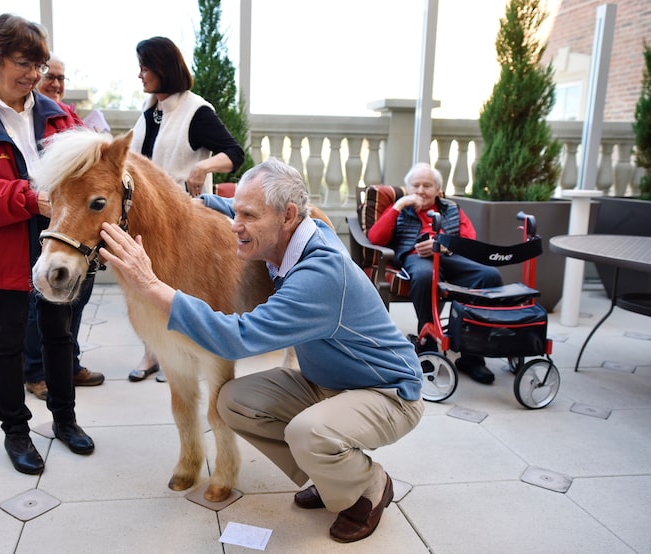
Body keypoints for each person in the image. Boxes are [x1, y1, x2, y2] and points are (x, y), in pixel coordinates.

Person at [98, 158, 424, 544]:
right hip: (331, 382)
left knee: (308, 433)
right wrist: (195, 204)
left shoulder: (320, 274)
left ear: (287, 216)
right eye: (236, 210)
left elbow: (237, 338)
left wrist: (152, 285)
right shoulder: (297, 235)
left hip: (386, 393)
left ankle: (370, 487)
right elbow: (234, 212)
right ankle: (331, 474)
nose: (236, 225)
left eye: (248, 215)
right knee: (235, 401)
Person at [0, 13, 94, 476]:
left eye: (40, 66)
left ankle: (65, 421)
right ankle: (16, 432)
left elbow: (89, 168)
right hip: (4, 240)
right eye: (25, 63)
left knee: (58, 334)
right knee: (8, 340)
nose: (34, 75)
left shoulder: (61, 116)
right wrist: (31, 197)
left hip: (56, 238)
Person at [127, 36, 245, 383]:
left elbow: (234, 153)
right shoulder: (149, 113)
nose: (140, 75)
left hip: (184, 220)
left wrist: (203, 168)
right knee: (144, 288)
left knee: (180, 287)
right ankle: (154, 352)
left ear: (163, 68)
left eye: (145, 68)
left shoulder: (197, 111)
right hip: (148, 220)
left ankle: (180, 356)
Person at [367, 162, 503, 384]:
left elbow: (469, 240)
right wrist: (399, 205)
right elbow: (375, 238)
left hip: (451, 256)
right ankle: (428, 344)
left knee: (490, 276)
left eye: (427, 185)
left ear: (438, 190)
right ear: (408, 187)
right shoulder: (399, 209)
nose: (420, 190)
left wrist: (445, 246)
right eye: (415, 185)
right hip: (416, 257)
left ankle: (473, 356)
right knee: (424, 276)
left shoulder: (451, 208)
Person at [24, 51, 105, 401]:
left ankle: (69, 364)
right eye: (50, 76)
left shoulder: (68, 117)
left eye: (61, 78)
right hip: (39, 222)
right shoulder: (25, 118)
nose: (56, 83)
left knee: (78, 297)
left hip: (74, 223)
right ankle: (36, 372)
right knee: (39, 299)